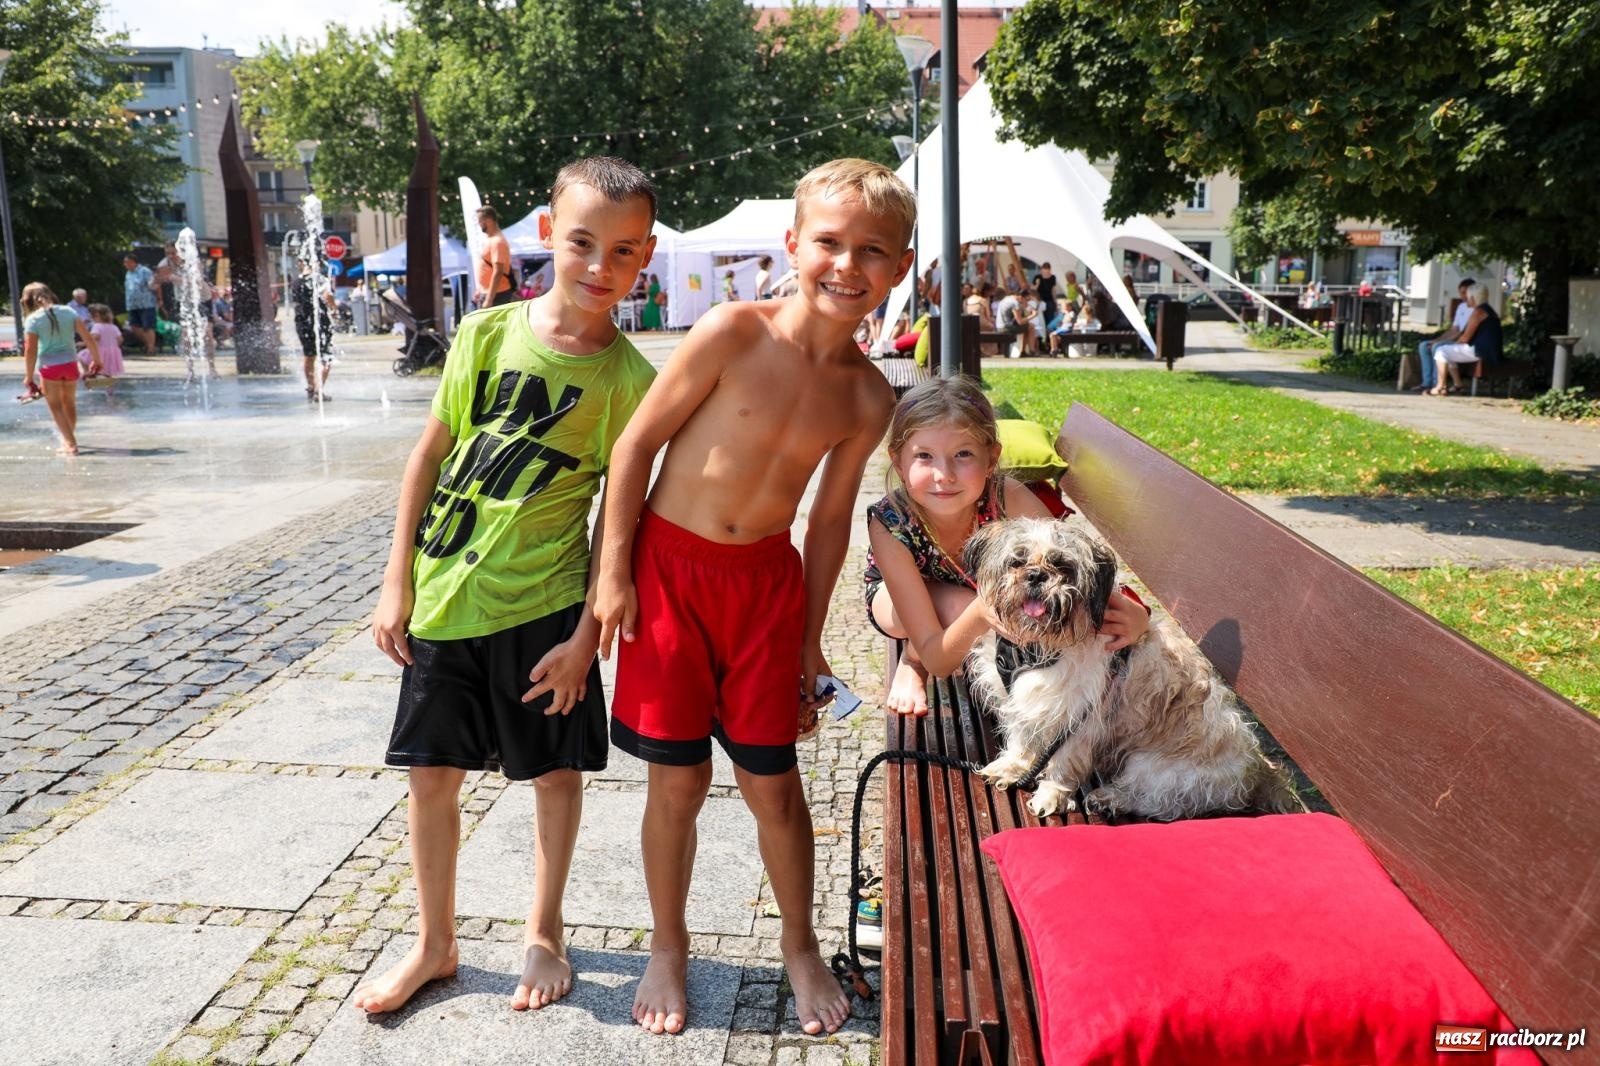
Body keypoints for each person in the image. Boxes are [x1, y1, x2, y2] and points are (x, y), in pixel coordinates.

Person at [594, 158, 915, 1038]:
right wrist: (614, 570)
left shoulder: (866, 394)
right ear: (793, 244)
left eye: (872, 252)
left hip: (766, 592)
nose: (847, 266)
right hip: (670, 575)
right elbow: (635, 450)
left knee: (774, 785)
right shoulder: (734, 332)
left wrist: (812, 643)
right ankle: (667, 942)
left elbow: (830, 523)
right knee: (679, 781)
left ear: (899, 267)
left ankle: (800, 946)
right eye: (830, 243)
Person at [361, 156, 660, 1016]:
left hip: (545, 607)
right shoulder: (488, 333)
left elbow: (618, 515)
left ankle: (544, 929)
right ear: (545, 237)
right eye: (582, 244)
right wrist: (396, 581)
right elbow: (429, 453)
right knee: (431, 776)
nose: (601, 267)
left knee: (554, 775)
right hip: (446, 596)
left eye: (625, 252)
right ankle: (435, 942)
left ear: (644, 259)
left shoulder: (631, 383)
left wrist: (586, 637)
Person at [863, 378, 1149, 716]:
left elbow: (1073, 566)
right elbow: (940, 663)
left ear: (991, 458)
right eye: (924, 456)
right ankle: (911, 660)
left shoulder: (1007, 497)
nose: (945, 474)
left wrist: (1137, 615)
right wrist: (944, 639)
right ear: (898, 463)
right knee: (961, 611)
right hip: (903, 595)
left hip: (983, 591)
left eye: (963, 454)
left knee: (1000, 609)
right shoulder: (890, 522)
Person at [19, 283, 99, 454]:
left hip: (49, 368)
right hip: (70, 364)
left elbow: (30, 350)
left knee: (55, 406)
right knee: (69, 403)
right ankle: (68, 437)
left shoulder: (33, 319)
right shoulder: (69, 312)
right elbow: (88, 338)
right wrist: (97, 360)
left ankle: (70, 444)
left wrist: (29, 376)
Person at [1428, 282, 1501, 396]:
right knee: (1447, 351)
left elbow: (1466, 337)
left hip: (1480, 351)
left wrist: (1456, 343)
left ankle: (1440, 386)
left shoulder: (1478, 312)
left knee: (1441, 351)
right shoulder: (1488, 310)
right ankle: (1457, 384)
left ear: (1473, 297)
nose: (1466, 299)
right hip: (1490, 350)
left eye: (1467, 297)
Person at [1413, 278, 1475, 393]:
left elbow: (1461, 333)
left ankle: (1438, 383)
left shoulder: (1476, 309)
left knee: (1438, 348)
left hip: (1461, 342)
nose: (1462, 296)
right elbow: (1454, 329)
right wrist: (1436, 339)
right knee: (1424, 346)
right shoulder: (1461, 307)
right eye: (1461, 293)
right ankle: (1427, 382)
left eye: (1465, 293)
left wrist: (1438, 342)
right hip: (1455, 338)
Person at [292, 262, 336, 400]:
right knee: (326, 356)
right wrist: (334, 308)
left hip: (302, 321)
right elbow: (327, 295)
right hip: (320, 321)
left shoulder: (296, 282)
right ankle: (319, 390)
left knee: (309, 355)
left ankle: (311, 386)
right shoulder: (320, 279)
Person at [473, 206, 517, 308]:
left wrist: (489, 299)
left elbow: (498, 272)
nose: (479, 224)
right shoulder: (491, 239)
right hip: (491, 293)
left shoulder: (498, 242)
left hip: (497, 294)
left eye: (480, 221)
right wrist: (481, 289)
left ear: (488, 220)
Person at [122, 254, 158, 355]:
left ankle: (151, 348)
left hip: (146, 303)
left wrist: (159, 299)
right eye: (125, 262)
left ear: (134, 262)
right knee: (134, 327)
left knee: (148, 326)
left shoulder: (145, 271)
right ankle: (148, 345)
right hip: (132, 305)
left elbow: (155, 285)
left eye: (127, 262)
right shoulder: (128, 273)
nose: (125, 264)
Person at [83, 304, 124, 385]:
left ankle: (88, 372)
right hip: (113, 351)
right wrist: (114, 346)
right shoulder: (114, 327)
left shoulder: (97, 326)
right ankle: (108, 380)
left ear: (97, 316)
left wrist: (83, 343)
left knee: (82, 356)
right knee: (109, 367)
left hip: (100, 350)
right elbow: (120, 339)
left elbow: (95, 337)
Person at [994, 286, 1034, 357]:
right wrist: (1033, 315)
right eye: (1026, 300)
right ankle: (1031, 351)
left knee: (1026, 326)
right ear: (1022, 297)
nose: (1026, 302)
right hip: (1005, 328)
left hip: (999, 326)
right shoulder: (1015, 303)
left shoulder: (1007, 298)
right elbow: (1020, 321)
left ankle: (1023, 351)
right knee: (1031, 326)